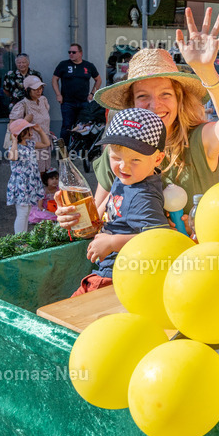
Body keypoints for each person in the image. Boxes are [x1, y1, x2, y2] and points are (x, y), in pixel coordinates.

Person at [57, 7, 219, 233]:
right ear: (131, 103)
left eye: (165, 94)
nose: (155, 106)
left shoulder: (197, 140)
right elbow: (98, 215)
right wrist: (77, 218)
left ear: (179, 99)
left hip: (193, 263)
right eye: (143, 97)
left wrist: (206, 72)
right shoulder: (117, 150)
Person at [72, 108, 170, 297]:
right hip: (108, 271)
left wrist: (112, 242)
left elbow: (160, 241)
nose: (123, 166)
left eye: (135, 159)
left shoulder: (143, 197)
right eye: (116, 157)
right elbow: (103, 212)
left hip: (119, 278)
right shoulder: (128, 178)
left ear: (157, 158)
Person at [6, 119, 50, 234]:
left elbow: (46, 143)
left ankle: (23, 239)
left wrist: (40, 131)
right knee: (22, 212)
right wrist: (14, 141)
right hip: (21, 183)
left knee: (27, 210)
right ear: (22, 132)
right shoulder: (14, 147)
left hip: (30, 181)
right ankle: (20, 240)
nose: (31, 131)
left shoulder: (30, 144)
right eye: (28, 129)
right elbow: (13, 157)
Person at [52, 43, 101, 144]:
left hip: (83, 102)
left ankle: (80, 150)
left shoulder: (88, 66)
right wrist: (58, 94)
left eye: (73, 52)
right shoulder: (63, 65)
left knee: (84, 126)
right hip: (67, 102)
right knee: (66, 125)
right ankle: (63, 151)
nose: (71, 54)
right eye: (69, 52)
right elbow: (54, 80)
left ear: (80, 53)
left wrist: (92, 93)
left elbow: (98, 80)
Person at [9, 75, 52, 172]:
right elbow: (12, 128)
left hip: (45, 141)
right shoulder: (21, 105)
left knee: (45, 172)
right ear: (27, 90)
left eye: (40, 88)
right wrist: (25, 121)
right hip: (31, 145)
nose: (39, 91)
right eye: (35, 89)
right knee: (35, 172)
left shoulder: (43, 100)